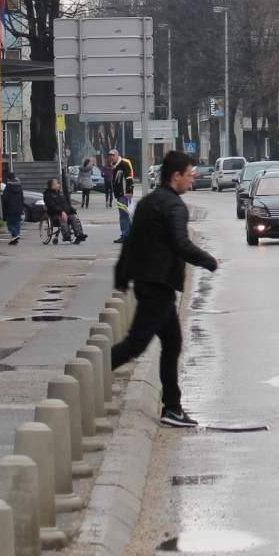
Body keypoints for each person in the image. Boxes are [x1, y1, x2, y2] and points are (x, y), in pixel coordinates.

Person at [113, 151, 220, 427]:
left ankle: (172, 407)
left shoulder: (149, 202)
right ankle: (95, 373)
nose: (192, 180)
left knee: (172, 343)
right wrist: (208, 260)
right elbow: (180, 243)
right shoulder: (174, 207)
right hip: (158, 285)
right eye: (189, 175)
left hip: (149, 283)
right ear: (176, 177)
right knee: (136, 344)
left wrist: (122, 276)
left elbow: (130, 242)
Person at [43, 178, 84, 244]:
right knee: (62, 218)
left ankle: (79, 234)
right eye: (57, 184)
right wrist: (61, 212)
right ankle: (66, 236)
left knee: (73, 217)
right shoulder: (48, 195)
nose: (59, 185)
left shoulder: (60, 194)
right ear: (52, 185)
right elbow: (52, 206)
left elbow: (66, 204)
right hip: (54, 214)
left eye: (58, 183)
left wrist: (71, 209)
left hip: (64, 213)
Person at [2, 169, 25, 244]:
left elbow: (5, 198)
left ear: (8, 178)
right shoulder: (19, 186)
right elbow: (22, 197)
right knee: (17, 222)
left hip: (11, 208)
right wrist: (21, 207)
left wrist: (5, 207)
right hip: (18, 208)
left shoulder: (8, 187)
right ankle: (15, 237)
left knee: (10, 224)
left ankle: (15, 234)